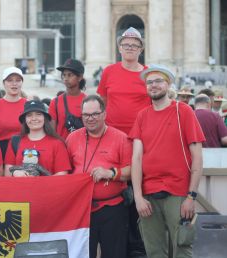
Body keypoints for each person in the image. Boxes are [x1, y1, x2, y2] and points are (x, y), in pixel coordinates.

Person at [129, 65, 205, 258]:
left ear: (168, 84)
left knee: (182, 249)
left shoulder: (184, 111)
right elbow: (136, 158)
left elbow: (197, 157)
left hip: (178, 193)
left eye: (158, 81)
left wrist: (191, 196)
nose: (153, 85)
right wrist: (138, 197)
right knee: (154, 252)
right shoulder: (142, 115)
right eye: (149, 82)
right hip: (148, 194)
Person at [97, 27, 150, 257]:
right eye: (126, 45)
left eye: (134, 46)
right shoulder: (109, 71)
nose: (130, 49)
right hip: (114, 140)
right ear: (119, 48)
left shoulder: (149, 74)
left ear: (141, 50)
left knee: (140, 191)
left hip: (141, 140)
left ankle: (137, 247)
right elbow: (102, 102)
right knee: (117, 189)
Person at [66, 95, 131, 258]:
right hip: (81, 210)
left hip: (112, 209)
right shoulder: (72, 138)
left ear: (104, 114)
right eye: (86, 115)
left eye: (95, 114)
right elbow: (65, 171)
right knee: (82, 254)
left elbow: (133, 170)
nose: (90, 119)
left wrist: (111, 173)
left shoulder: (121, 138)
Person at [5, 100, 70, 177]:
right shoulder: (15, 141)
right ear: (25, 120)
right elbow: (7, 171)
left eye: (38, 114)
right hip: (20, 187)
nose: (34, 118)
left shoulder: (57, 143)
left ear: (45, 118)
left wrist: (39, 183)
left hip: (47, 188)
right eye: (29, 115)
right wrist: (15, 172)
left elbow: (62, 173)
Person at [48, 59, 86, 139]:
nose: (66, 78)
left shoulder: (88, 101)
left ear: (80, 77)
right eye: (64, 75)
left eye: (70, 75)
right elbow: (51, 131)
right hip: (62, 147)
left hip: (83, 148)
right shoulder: (55, 102)